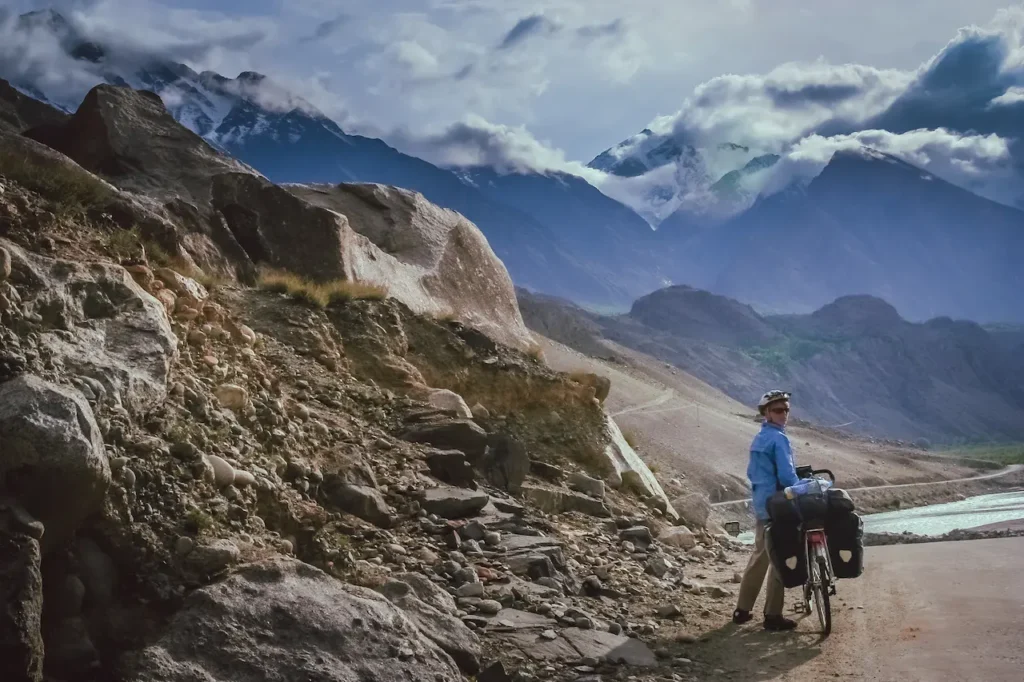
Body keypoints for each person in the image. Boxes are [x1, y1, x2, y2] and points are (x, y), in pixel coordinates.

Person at [732, 389, 800, 631]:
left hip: (762, 505)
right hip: (778, 506)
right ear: (767, 413)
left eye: (786, 410)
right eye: (778, 410)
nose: (784, 414)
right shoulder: (779, 439)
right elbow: (786, 476)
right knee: (779, 557)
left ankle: (742, 610)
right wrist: (804, 486)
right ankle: (772, 615)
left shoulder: (759, 437)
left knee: (760, 555)